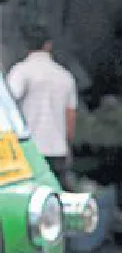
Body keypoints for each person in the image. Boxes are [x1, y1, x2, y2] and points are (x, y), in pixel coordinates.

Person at [7, 25, 78, 180]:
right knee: (55, 199)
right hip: (58, 151)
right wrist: (68, 146)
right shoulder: (65, 77)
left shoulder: (21, 71)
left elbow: (7, 104)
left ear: (26, 46)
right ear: (48, 45)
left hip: (29, 151)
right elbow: (70, 118)